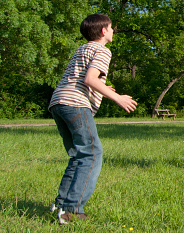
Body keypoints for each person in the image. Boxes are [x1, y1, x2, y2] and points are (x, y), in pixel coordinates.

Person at [49, 14, 138, 224]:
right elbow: (90, 78)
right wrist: (118, 98)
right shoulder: (102, 50)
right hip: (75, 104)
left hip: (58, 102)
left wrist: (104, 88)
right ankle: (72, 209)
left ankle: (60, 204)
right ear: (103, 31)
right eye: (111, 27)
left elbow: (80, 77)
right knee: (92, 153)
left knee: (78, 155)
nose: (113, 31)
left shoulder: (82, 48)